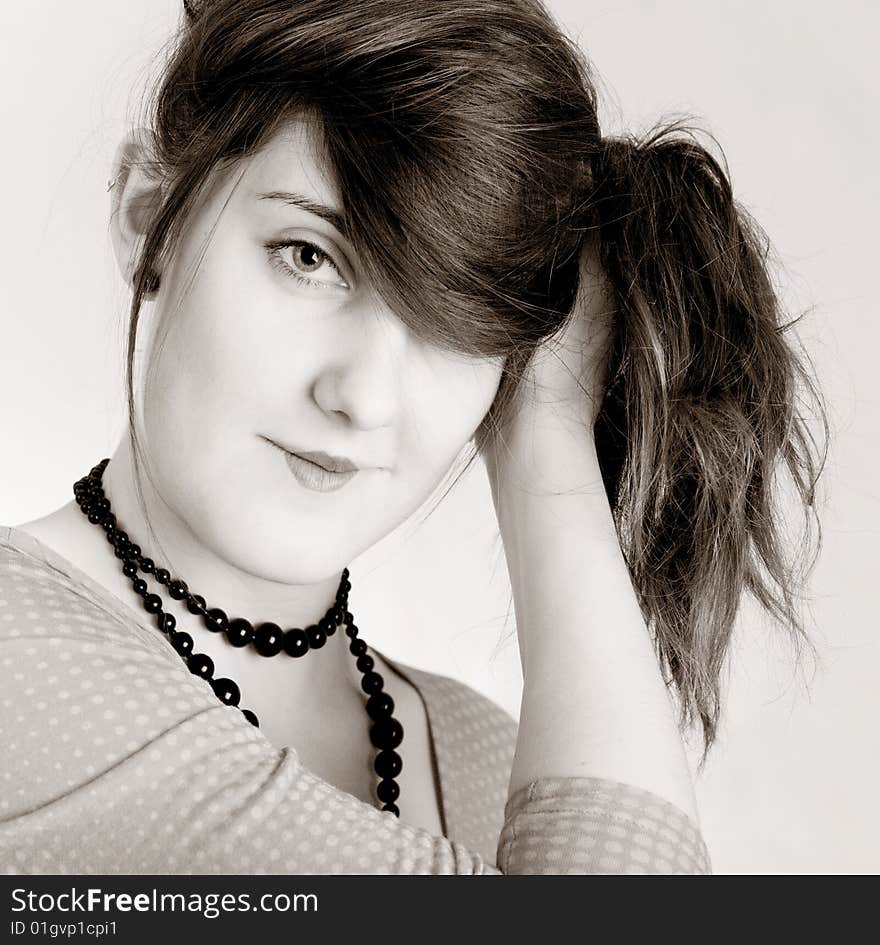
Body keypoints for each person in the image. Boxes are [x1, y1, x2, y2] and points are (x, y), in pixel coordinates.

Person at [0, 0, 825, 874]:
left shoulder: (492, 759)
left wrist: (543, 425)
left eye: (453, 319)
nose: (361, 395)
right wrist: (549, 458)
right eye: (308, 256)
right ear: (147, 214)